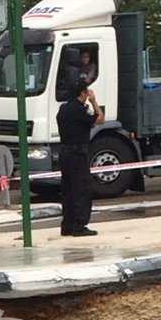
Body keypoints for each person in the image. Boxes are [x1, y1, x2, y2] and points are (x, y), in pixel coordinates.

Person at [57, 75, 104, 237]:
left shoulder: (63, 108)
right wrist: (94, 102)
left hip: (64, 152)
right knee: (82, 190)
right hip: (78, 153)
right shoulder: (79, 110)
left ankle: (67, 225)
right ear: (83, 93)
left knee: (68, 190)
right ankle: (79, 225)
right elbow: (100, 119)